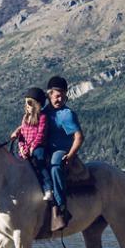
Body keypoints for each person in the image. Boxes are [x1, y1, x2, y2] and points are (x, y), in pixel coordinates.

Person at [44, 76, 84, 230]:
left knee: (55, 164)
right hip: (45, 149)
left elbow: (79, 137)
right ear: (49, 95)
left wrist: (71, 155)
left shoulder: (67, 114)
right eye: (57, 95)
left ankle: (61, 207)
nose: (60, 99)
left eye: (63, 95)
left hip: (61, 150)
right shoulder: (43, 112)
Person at [11, 87, 53, 201]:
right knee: (18, 165)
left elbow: (41, 134)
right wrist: (22, 148)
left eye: (29, 103)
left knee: (40, 162)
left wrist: (32, 147)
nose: (27, 106)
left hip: (38, 146)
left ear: (36, 104)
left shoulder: (42, 117)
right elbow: (22, 135)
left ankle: (48, 188)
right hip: (25, 148)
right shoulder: (25, 118)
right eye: (26, 103)